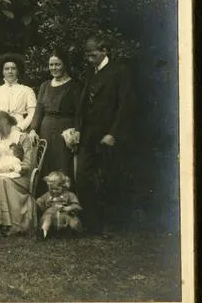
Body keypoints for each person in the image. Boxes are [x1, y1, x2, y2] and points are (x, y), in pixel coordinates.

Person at [75, 36, 134, 233]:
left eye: (93, 55)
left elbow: (124, 107)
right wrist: (77, 129)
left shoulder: (120, 72)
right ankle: (91, 222)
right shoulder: (90, 71)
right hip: (88, 134)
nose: (89, 59)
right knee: (82, 175)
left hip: (107, 135)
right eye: (87, 55)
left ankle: (108, 224)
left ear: (104, 51)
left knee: (108, 179)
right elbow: (83, 104)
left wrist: (113, 133)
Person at [0, 111, 36, 236]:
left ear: (10, 123)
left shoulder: (22, 137)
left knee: (1, 182)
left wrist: (11, 168)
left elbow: (27, 163)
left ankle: (9, 225)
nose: (2, 129)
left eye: (4, 125)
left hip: (19, 176)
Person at [29, 49, 83, 184]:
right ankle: (46, 201)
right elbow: (39, 110)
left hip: (64, 132)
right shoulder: (45, 86)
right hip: (46, 130)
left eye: (57, 64)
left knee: (63, 165)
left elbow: (79, 113)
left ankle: (64, 200)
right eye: (51, 65)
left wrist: (77, 133)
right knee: (45, 164)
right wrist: (33, 129)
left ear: (64, 65)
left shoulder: (74, 86)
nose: (54, 68)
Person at [0, 53, 37, 132]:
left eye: (13, 68)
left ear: (17, 71)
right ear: (2, 72)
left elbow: (33, 113)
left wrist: (21, 127)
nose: (10, 71)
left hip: (19, 130)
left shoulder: (27, 91)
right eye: (6, 69)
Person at [36, 171, 83, 239]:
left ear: (63, 187)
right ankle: (44, 232)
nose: (54, 191)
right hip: (50, 213)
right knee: (47, 219)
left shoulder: (69, 195)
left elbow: (77, 206)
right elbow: (40, 202)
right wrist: (38, 202)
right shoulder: (47, 195)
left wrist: (68, 208)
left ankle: (69, 232)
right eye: (51, 189)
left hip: (64, 212)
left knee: (69, 219)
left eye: (57, 189)